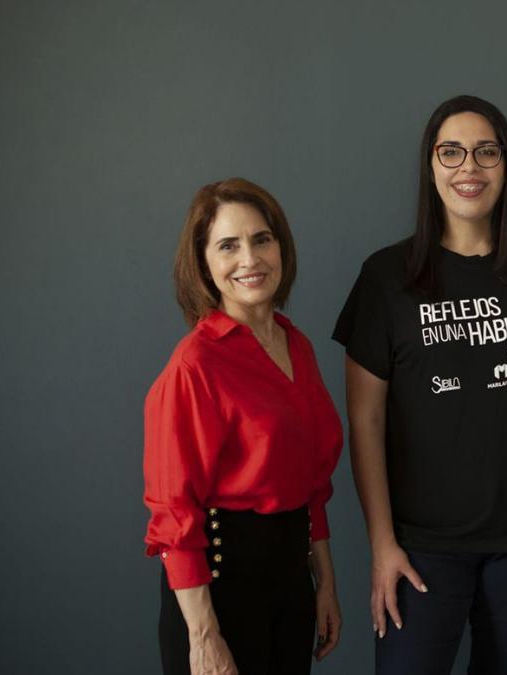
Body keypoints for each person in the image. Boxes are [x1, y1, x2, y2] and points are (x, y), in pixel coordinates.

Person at [333, 94, 507, 675]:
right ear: (430, 166)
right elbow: (366, 421)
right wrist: (381, 544)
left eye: (486, 152)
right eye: (451, 152)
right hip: (422, 546)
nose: (468, 168)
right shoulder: (386, 277)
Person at [144, 178, 344, 675]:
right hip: (218, 593)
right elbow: (174, 513)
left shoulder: (296, 345)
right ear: (204, 263)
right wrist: (204, 637)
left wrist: (325, 587)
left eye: (262, 239)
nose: (250, 259)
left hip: (291, 584)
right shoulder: (195, 364)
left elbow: (312, 485)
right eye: (228, 246)